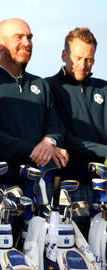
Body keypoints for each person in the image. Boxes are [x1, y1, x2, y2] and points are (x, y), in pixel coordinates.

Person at [0, 18, 68, 244]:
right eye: (19, 37)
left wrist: (49, 143)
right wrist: (34, 150)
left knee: (38, 260)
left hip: (40, 189)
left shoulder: (41, 85)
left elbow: (56, 126)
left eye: (30, 37)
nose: (27, 42)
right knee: (1, 260)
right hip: (0, 191)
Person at [46, 27, 105, 237]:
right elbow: (63, 138)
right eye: (77, 58)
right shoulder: (48, 87)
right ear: (64, 55)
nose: (83, 65)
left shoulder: (103, 89)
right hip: (67, 184)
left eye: (89, 59)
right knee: (72, 253)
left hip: (101, 184)